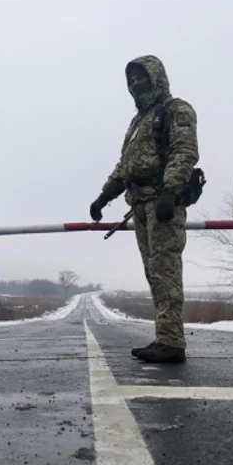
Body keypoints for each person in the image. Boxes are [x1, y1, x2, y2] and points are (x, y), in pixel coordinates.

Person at [89, 54, 199, 364]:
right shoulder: (138, 121)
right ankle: (165, 337)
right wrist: (103, 197)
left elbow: (185, 151)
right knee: (155, 273)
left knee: (165, 271)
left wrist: (171, 191)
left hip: (162, 203)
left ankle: (171, 342)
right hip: (138, 204)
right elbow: (126, 167)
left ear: (156, 77)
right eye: (132, 80)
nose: (136, 84)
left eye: (141, 78)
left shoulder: (176, 109)